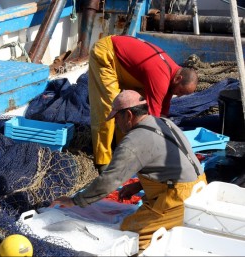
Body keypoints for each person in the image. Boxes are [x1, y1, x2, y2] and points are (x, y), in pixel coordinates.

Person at [49, 90, 206, 251]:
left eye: (117, 117)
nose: (116, 123)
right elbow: (170, 162)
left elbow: (109, 181)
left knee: (128, 235)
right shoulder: (165, 123)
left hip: (179, 198)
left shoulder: (133, 141)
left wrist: (74, 201)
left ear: (129, 115)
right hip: (199, 188)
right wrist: (138, 185)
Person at [88, 35, 198, 171]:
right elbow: (153, 120)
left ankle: (123, 150)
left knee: (135, 110)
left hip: (125, 66)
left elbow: (162, 115)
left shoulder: (172, 76)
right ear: (179, 79)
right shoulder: (161, 77)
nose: (179, 95)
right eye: (181, 92)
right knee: (111, 107)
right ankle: (102, 161)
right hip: (106, 54)